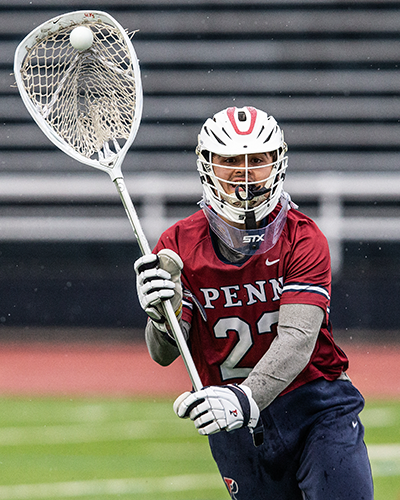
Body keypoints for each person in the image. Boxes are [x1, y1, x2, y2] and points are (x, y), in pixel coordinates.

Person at [134, 106, 374, 500]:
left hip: (314, 405)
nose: (244, 173)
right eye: (230, 160)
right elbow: (163, 353)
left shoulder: (303, 237)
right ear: (207, 165)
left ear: (277, 163)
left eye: (257, 160)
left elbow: (298, 338)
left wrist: (245, 398)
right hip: (235, 428)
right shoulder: (177, 245)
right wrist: (163, 316)